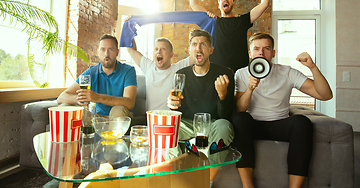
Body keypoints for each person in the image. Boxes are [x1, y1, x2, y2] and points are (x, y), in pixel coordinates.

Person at [232, 32, 333, 188]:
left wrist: (312, 67)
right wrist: (250, 88)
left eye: (266, 48)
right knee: (239, 120)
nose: (261, 52)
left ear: (273, 53)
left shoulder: (287, 72)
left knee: (302, 122)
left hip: (280, 124)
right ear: (250, 53)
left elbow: (325, 95)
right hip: (253, 124)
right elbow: (239, 109)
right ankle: (247, 185)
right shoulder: (242, 73)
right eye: (257, 48)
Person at [167, 29, 235, 187]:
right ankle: (177, 176)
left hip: (213, 124)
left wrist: (222, 95)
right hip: (189, 124)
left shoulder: (225, 74)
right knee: (168, 126)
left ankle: (207, 180)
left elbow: (226, 115)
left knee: (225, 126)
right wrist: (172, 104)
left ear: (210, 50)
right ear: (189, 50)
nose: (198, 48)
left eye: (203, 44)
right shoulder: (181, 74)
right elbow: (177, 112)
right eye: (194, 44)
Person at [189, 0, 270, 72]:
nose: (225, 0)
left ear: (233, 4)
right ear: (219, 5)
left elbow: (264, 4)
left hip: (240, 74)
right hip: (216, 74)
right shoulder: (213, 22)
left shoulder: (242, 21)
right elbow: (194, 4)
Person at [57, 34, 137, 119]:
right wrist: (82, 99)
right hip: (96, 117)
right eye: (103, 49)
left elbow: (130, 103)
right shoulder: (91, 72)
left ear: (117, 52)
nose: (106, 54)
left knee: (118, 109)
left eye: (111, 49)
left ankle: (113, 132)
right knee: (64, 107)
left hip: (119, 116)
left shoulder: (128, 71)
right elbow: (61, 97)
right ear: (98, 52)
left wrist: (98, 97)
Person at [127, 37, 193, 111]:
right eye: (156, 49)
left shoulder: (178, 68)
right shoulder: (148, 67)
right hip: (150, 119)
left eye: (163, 49)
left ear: (171, 54)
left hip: (170, 118)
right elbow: (130, 49)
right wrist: (129, 31)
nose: (159, 52)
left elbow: (195, 56)